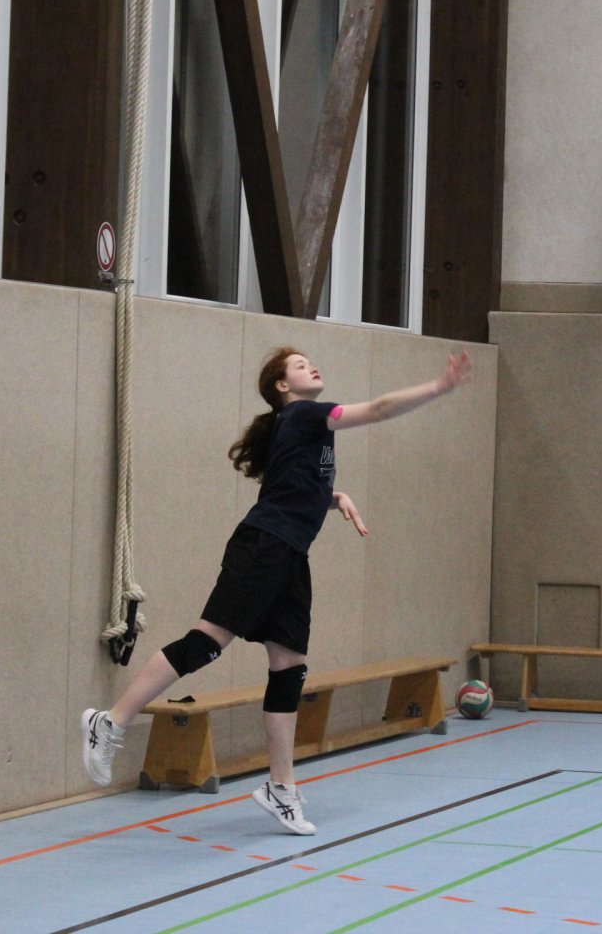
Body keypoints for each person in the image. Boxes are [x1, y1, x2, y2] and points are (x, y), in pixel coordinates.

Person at [80, 344, 473, 835]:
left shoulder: (298, 426)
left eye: (310, 360)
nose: (312, 365)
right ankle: (110, 721)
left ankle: (281, 788)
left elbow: (292, 485)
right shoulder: (305, 414)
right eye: (299, 365)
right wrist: (439, 387)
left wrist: (333, 497)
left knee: (289, 668)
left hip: (290, 555)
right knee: (206, 643)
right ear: (283, 387)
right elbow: (378, 409)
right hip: (264, 546)